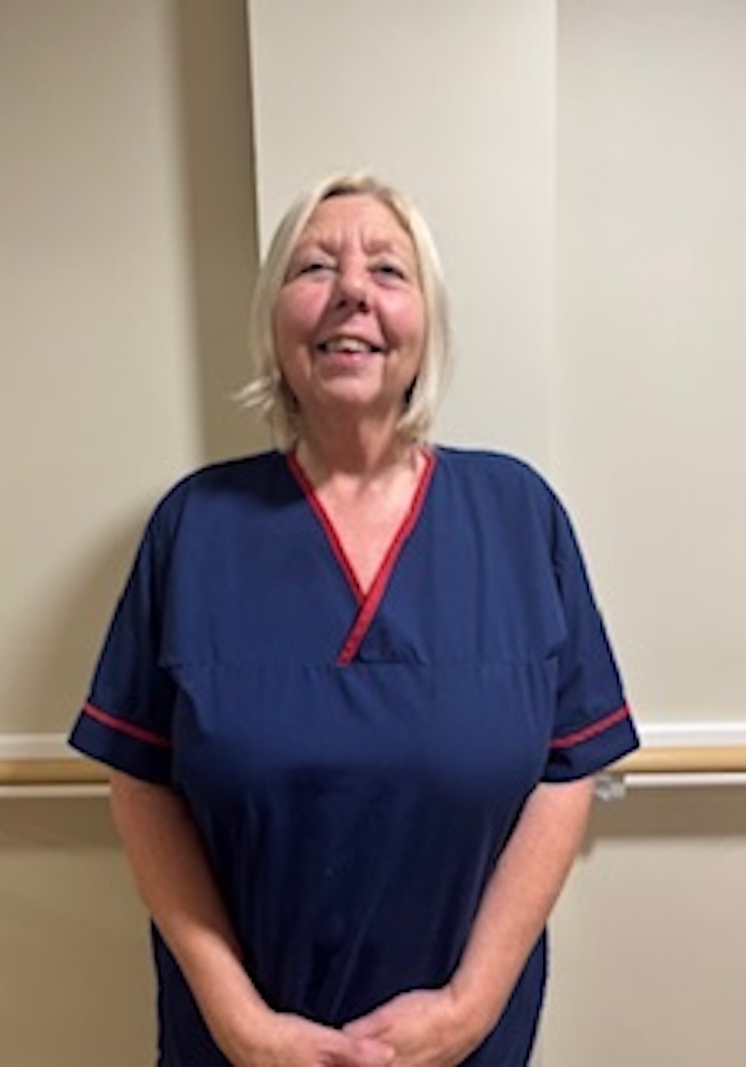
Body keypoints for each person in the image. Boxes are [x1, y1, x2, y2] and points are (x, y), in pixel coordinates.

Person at [69, 172, 639, 1066]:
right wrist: (242, 1024)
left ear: (428, 325)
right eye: (314, 267)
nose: (351, 293)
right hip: (239, 1044)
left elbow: (567, 768)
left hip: (464, 1042)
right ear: (273, 321)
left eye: (387, 269)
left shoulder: (520, 516)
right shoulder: (195, 526)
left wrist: (467, 1006)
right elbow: (141, 780)